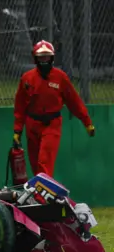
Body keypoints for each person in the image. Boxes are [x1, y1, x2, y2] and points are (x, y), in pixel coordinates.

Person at [13, 40, 95, 178]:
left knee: (44, 161)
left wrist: (87, 122)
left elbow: (74, 101)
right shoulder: (27, 79)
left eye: (47, 56)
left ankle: (43, 196)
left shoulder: (60, 77)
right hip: (32, 125)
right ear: (35, 58)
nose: (44, 60)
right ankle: (40, 193)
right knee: (34, 164)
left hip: (52, 125)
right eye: (41, 57)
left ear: (52, 58)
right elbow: (20, 107)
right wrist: (17, 131)